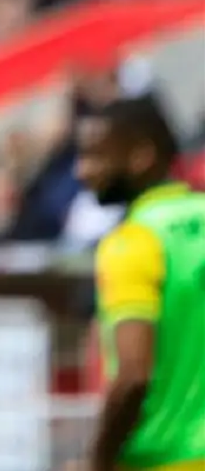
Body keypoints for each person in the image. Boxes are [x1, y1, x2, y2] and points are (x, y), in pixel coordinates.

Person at [75, 95, 205, 471]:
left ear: (141, 156)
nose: (82, 171)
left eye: (95, 156)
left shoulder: (133, 241)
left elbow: (134, 376)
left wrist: (97, 461)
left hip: (166, 461)